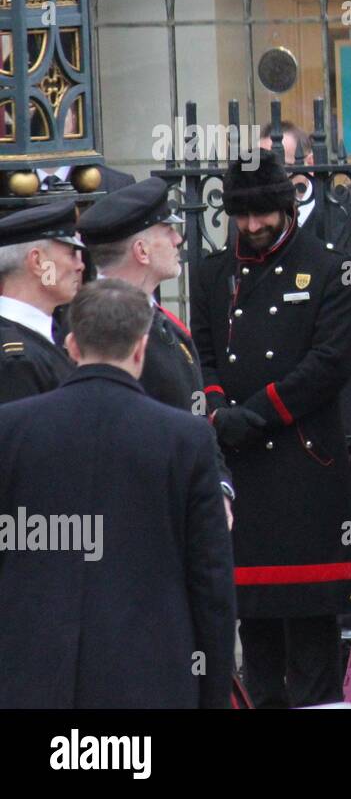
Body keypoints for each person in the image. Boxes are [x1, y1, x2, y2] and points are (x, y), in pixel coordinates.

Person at [0, 279, 235, 708]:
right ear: (141, 349)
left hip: (31, 675)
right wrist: (213, 689)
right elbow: (211, 581)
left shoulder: (10, 429)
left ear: (70, 344)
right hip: (150, 676)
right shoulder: (186, 439)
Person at [190, 149, 351, 708]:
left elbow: (331, 362)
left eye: (263, 213)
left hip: (303, 467)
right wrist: (218, 411)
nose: (253, 226)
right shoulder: (212, 273)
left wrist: (258, 412)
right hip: (240, 469)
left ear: (285, 206)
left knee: (312, 638)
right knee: (255, 635)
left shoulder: (331, 265)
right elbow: (205, 354)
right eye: (241, 216)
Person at [79, 177, 236, 527]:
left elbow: (196, 421)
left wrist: (220, 487)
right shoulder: (92, 327)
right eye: (168, 230)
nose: (179, 239)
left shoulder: (166, 325)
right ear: (142, 251)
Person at [260, 122, 351, 435]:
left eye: (280, 160)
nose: (270, 172)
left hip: (347, 376)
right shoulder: (254, 221)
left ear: (309, 162)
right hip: (277, 377)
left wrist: (314, 321)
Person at [0, 201, 84, 404]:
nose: (80, 266)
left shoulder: (49, 334)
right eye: (72, 253)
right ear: (38, 262)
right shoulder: (16, 361)